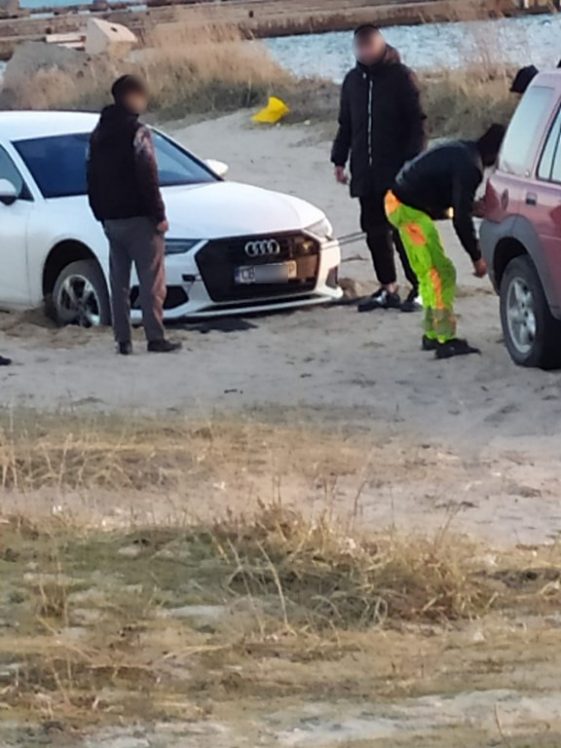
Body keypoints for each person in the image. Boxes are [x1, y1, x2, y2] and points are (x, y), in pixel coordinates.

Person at [384, 124, 506, 359]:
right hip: (408, 211)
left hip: (400, 204)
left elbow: (450, 201)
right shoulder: (471, 167)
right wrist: (477, 258)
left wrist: (469, 208)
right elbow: (460, 220)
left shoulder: (464, 151)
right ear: (495, 153)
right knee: (441, 274)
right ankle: (445, 340)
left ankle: (432, 333)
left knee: (430, 274)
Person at [331, 24, 426, 313]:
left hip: (397, 170)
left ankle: (421, 287)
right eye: (359, 48)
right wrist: (339, 159)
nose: (364, 52)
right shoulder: (352, 81)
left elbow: (418, 123)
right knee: (374, 231)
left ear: (380, 45)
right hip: (365, 170)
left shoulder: (401, 77)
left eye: (369, 46)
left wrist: (412, 164)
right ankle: (388, 288)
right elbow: (346, 124)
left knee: (403, 230)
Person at [87, 75, 181, 356]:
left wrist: (99, 212)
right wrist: (159, 215)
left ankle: (123, 339)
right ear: (131, 97)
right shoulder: (137, 132)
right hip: (139, 217)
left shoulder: (98, 133)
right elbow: (147, 176)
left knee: (119, 282)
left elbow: (90, 175)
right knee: (151, 281)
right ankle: (155, 337)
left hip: (111, 219)